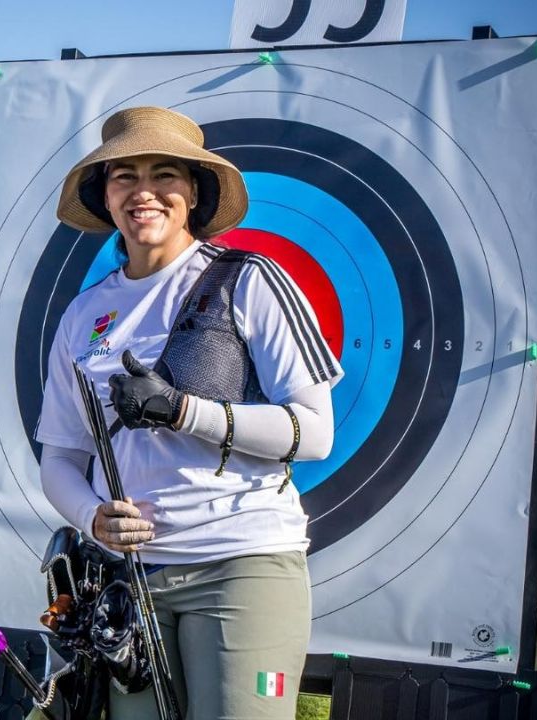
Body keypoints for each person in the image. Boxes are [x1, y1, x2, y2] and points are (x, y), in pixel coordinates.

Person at [35, 106, 342, 719]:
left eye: (164, 174)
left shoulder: (248, 279)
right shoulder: (82, 315)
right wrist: (92, 517)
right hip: (130, 580)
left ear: (194, 192)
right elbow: (62, 456)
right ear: (104, 195)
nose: (143, 192)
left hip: (241, 563)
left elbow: (314, 432)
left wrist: (182, 411)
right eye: (124, 176)